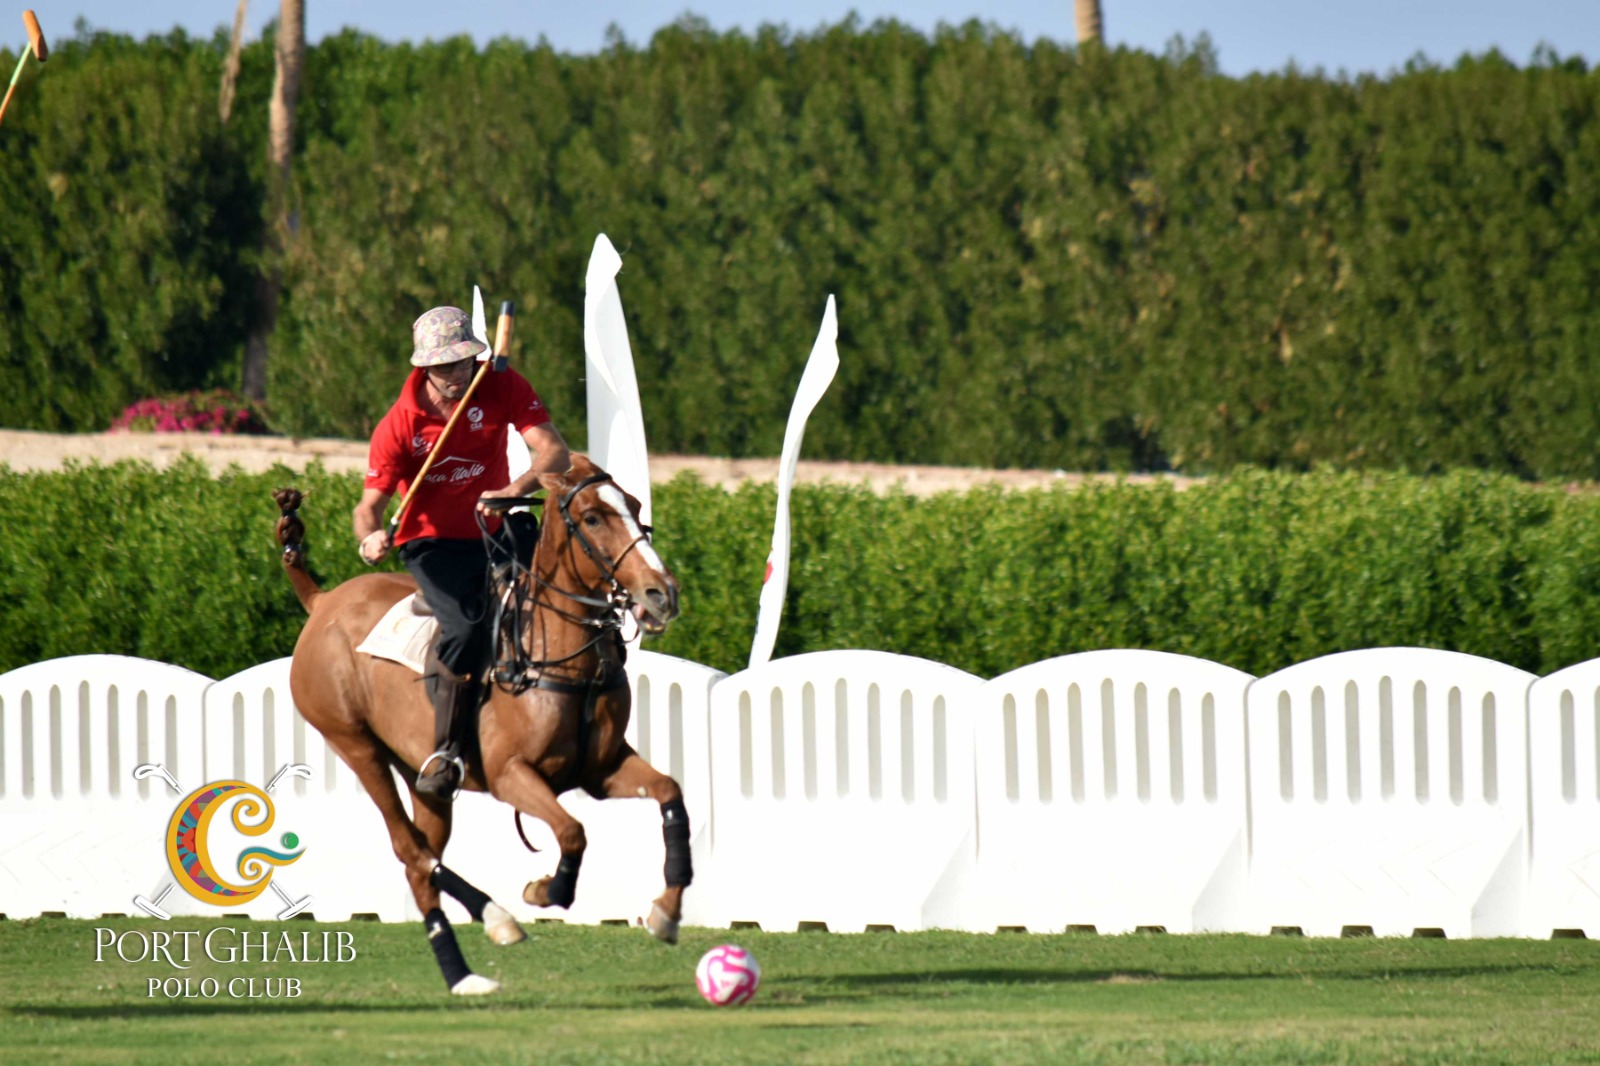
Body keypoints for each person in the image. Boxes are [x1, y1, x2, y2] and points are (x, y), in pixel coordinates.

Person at [352, 305, 571, 799]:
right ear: (423, 368)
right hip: (431, 543)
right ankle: (447, 748)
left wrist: (517, 487)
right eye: (443, 366)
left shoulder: (502, 385)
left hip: (494, 527)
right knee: (467, 627)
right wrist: (369, 539)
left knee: (557, 597)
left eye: (463, 362)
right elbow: (368, 508)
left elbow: (554, 452)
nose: (456, 375)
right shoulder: (399, 424)